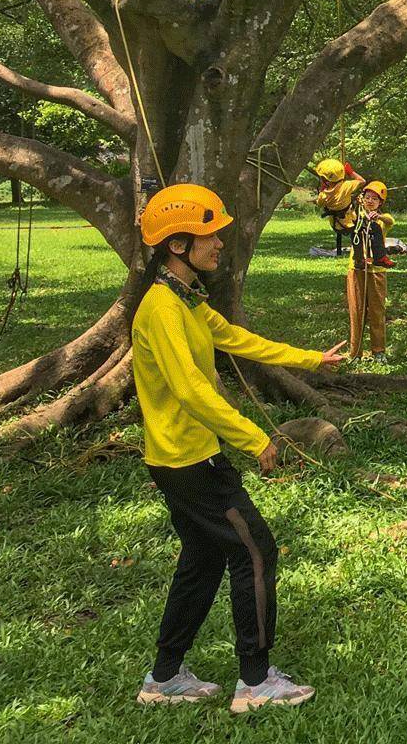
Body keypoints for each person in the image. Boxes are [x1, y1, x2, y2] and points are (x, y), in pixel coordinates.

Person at [130, 183, 346, 713]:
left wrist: (312, 359)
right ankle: (254, 681)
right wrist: (255, 438)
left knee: (203, 560)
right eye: (210, 235)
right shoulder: (161, 309)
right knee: (256, 551)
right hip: (190, 462)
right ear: (178, 244)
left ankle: (164, 678)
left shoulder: (184, 298)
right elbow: (191, 390)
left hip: (182, 456)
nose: (221, 243)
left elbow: (237, 339)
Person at [348, 180, 392, 360]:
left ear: (380, 202)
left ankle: (378, 351)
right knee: (356, 311)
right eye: (368, 197)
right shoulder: (354, 216)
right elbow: (341, 218)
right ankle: (355, 352)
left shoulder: (382, 221)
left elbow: (390, 220)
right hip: (356, 269)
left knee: (377, 311)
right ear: (362, 199)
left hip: (376, 272)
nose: (371, 201)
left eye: (375, 199)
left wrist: (378, 217)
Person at [313, 158, 364, 255]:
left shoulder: (324, 195)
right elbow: (362, 181)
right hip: (352, 222)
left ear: (326, 180)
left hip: (336, 225)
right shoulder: (347, 186)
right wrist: (351, 172)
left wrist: (322, 190)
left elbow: (319, 204)